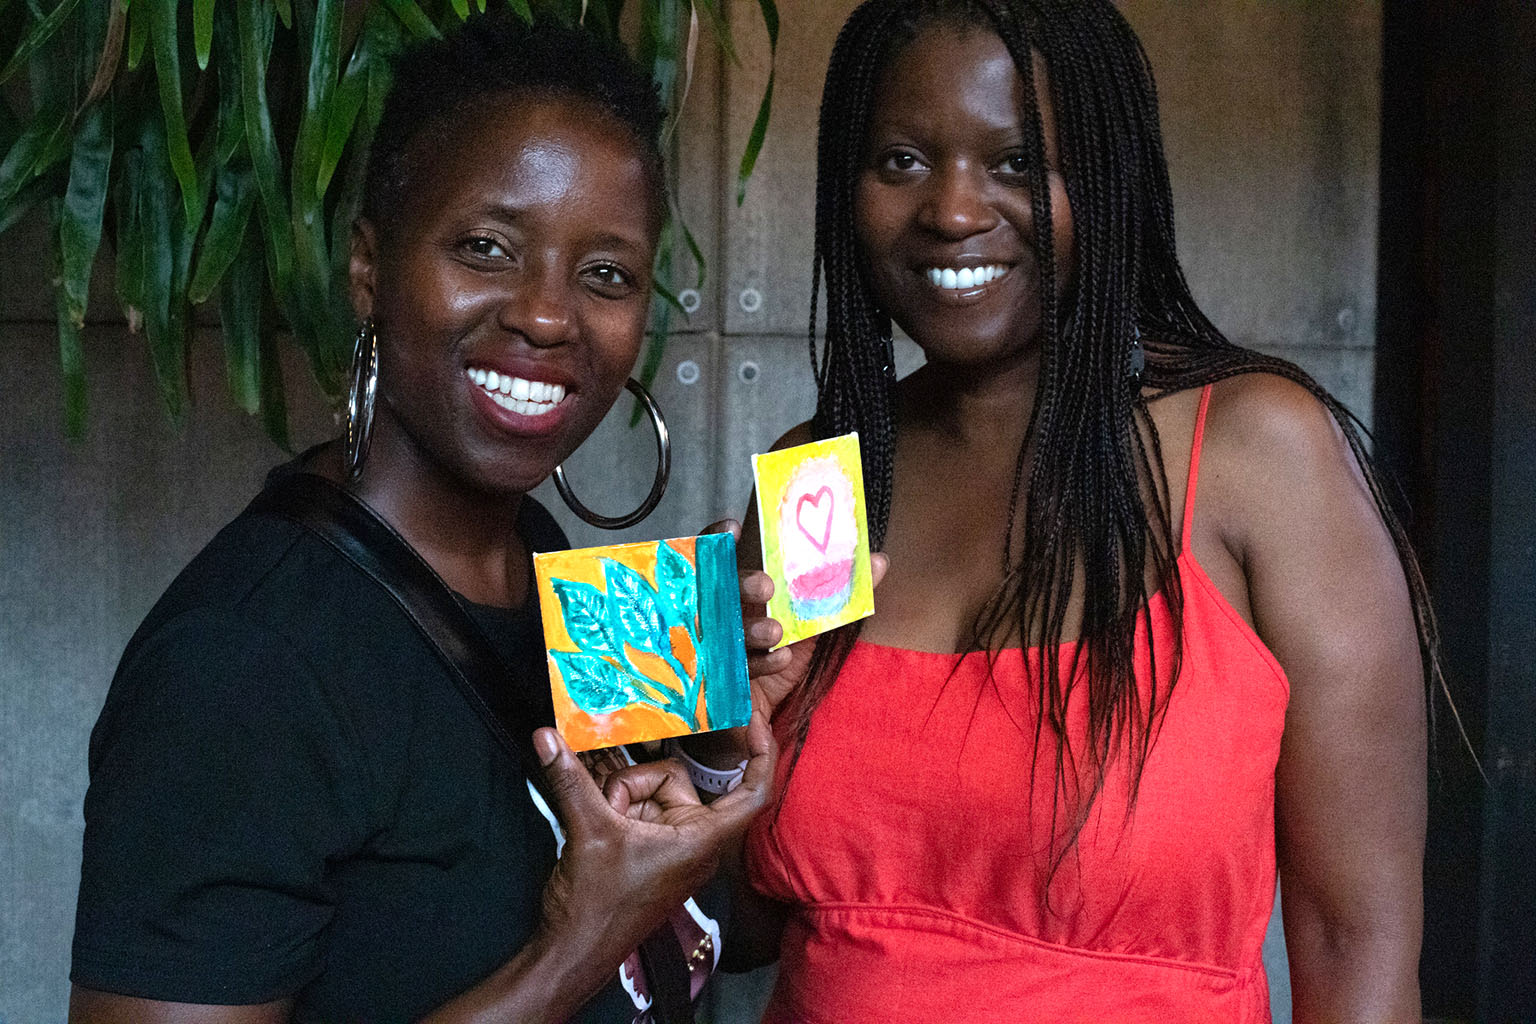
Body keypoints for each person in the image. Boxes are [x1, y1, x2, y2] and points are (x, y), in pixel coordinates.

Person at [68, 14, 784, 1023]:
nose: (546, 314)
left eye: (606, 273)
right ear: (370, 268)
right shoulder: (239, 666)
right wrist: (572, 946)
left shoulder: (541, 563)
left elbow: (704, 939)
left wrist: (710, 751)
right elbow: (604, 939)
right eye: (486, 247)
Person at [732, 1, 1432, 1021]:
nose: (954, 211)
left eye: (1015, 163)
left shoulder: (1252, 455)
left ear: (1104, 182)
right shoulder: (821, 484)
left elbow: (1354, 940)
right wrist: (715, 749)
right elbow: (754, 921)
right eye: (900, 162)